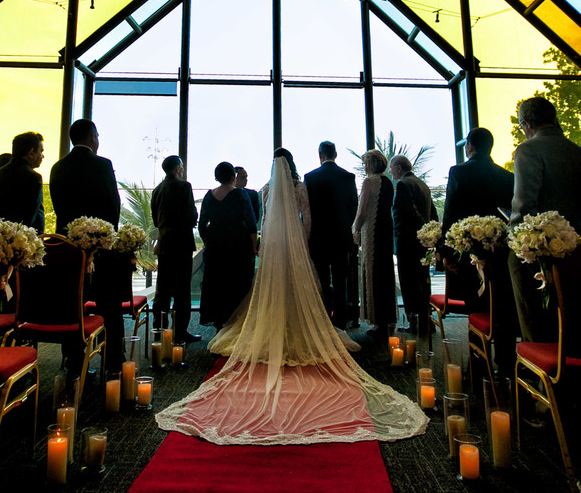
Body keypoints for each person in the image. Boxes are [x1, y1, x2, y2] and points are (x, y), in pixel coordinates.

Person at [155, 155, 429, 445]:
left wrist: (262, 243)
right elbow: (306, 218)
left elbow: (261, 222)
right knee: (299, 287)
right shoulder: (299, 187)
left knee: (269, 288)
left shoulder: (265, 188)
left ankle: (270, 324)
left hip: (273, 244)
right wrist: (302, 242)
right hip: (293, 241)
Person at [508, 97, 581, 344]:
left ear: (526, 123)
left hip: (536, 250)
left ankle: (535, 363)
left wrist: (513, 237)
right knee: (566, 314)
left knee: (532, 314)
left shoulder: (528, 150)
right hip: (572, 247)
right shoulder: (578, 152)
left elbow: (524, 206)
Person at [48, 119, 125, 373]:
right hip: (101, 248)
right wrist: (104, 237)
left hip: (67, 247)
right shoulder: (103, 165)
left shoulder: (57, 168)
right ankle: (112, 360)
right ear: (93, 137)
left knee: (72, 303)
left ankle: (74, 361)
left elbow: (60, 207)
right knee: (109, 304)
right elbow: (114, 206)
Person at [441, 127, 516, 367]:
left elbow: (451, 215)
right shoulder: (506, 176)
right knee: (501, 305)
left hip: (469, 252)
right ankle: (506, 360)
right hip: (500, 252)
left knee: (475, 306)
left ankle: (478, 361)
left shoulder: (459, 173)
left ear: (470, 147)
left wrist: (447, 253)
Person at [304, 141, 359, 330]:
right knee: (341, 280)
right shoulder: (348, 176)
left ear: (320, 155)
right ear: (335, 154)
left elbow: (307, 210)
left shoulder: (310, 178)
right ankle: (341, 323)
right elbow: (354, 206)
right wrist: (345, 225)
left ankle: (324, 321)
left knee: (322, 281)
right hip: (341, 237)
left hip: (318, 238)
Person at [198, 161, 258, 330]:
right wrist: (253, 246)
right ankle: (236, 322)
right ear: (233, 176)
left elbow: (202, 224)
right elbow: (251, 223)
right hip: (238, 244)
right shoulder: (241, 194)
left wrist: (208, 241)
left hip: (216, 246)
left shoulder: (209, 196)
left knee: (217, 283)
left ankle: (218, 321)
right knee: (237, 283)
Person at [151, 155, 200, 341]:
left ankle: (160, 330)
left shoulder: (157, 190)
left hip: (164, 245)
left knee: (162, 290)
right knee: (182, 292)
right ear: (178, 168)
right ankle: (180, 332)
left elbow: (156, 220)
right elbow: (191, 214)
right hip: (181, 244)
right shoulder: (184, 186)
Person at [391, 154, 436, 337]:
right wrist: (430, 233)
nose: (391, 171)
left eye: (392, 168)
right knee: (423, 284)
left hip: (408, 243)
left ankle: (415, 323)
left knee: (409, 285)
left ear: (399, 168)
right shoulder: (421, 184)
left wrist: (420, 229)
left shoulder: (403, 184)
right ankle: (427, 322)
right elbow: (432, 212)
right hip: (422, 243)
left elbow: (408, 212)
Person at [353, 148, 396, 335]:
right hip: (386, 230)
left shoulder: (369, 182)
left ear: (370, 165)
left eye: (365, 164)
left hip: (372, 231)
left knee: (372, 272)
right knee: (385, 272)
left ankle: (378, 321)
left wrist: (355, 228)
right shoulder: (388, 182)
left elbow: (362, 211)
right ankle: (387, 319)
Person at [0, 134, 44, 232]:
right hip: (16, 240)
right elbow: (28, 219)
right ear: (31, 153)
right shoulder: (33, 178)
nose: (42, 156)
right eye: (41, 151)